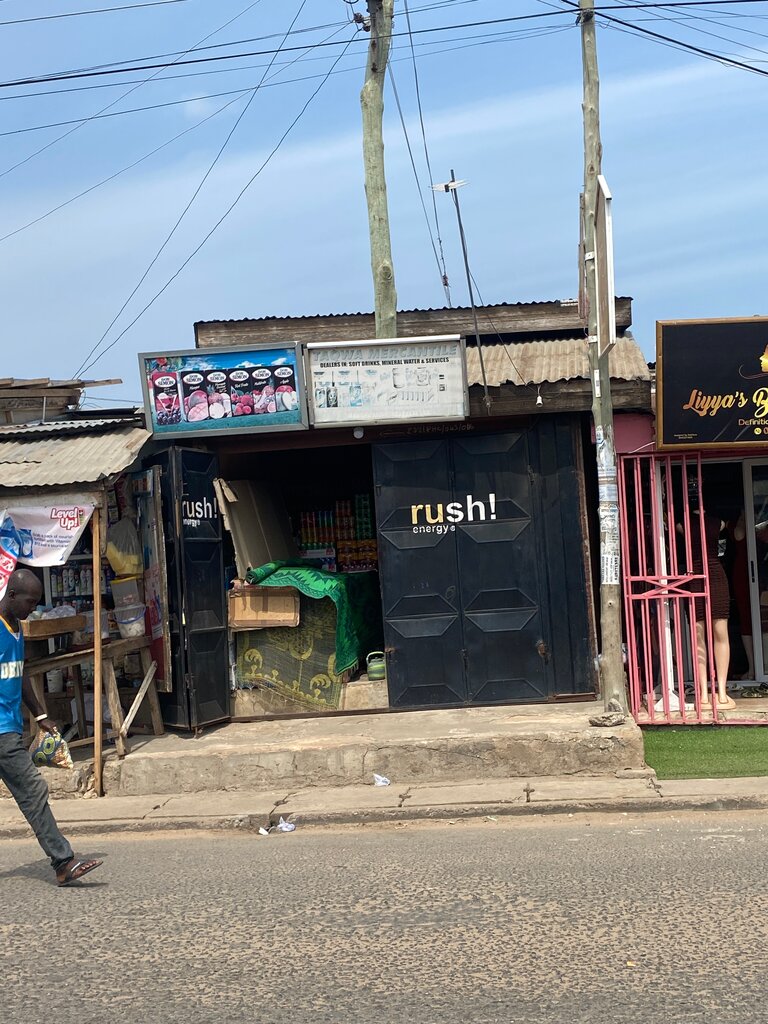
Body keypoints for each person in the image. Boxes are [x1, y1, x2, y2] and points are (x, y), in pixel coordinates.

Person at [0, 568, 102, 886]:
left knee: (32, 790)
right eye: (30, 601)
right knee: (33, 789)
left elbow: (20, 674)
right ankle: (62, 862)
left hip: (9, 728)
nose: (34, 607)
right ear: (12, 595)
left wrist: (40, 715)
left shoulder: (16, 627)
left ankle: (62, 862)